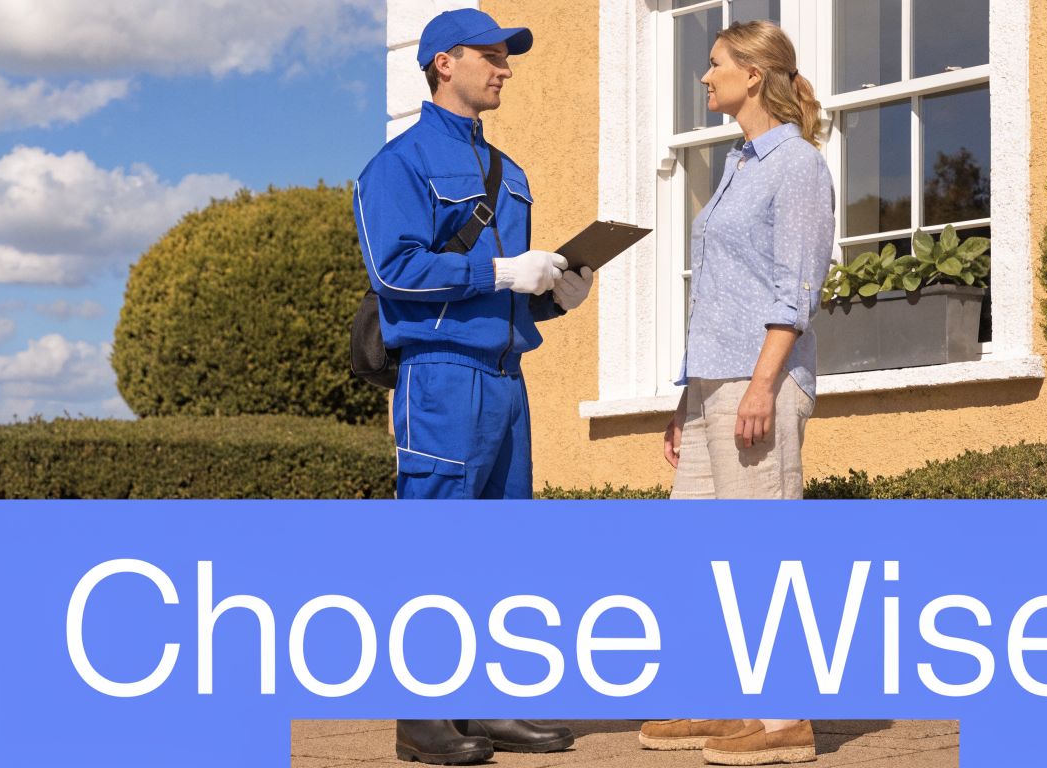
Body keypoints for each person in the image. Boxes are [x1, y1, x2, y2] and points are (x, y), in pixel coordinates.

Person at [351, 8, 588, 765]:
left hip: (506, 376)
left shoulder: (509, 171)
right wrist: (495, 271)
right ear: (442, 63)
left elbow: (509, 286)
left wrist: (554, 291)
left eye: (506, 56)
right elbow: (394, 270)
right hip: (442, 378)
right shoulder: (399, 164)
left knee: (501, 553)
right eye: (490, 56)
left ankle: (485, 704)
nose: (505, 68)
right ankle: (420, 719)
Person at [638, 19, 834, 767]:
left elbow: (794, 289)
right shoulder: (738, 163)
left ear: (753, 74)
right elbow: (719, 292)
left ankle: (784, 719)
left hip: (762, 383)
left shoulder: (798, 166)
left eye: (715, 64)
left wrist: (761, 383)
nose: (704, 76)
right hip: (712, 384)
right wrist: (684, 400)